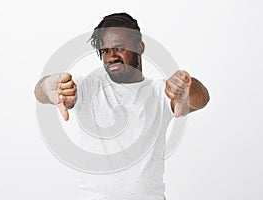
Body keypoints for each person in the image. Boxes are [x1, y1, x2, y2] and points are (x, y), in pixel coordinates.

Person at [34, 13, 209, 200]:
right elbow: (41, 93)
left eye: (119, 48)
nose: (111, 57)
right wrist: (46, 86)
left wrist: (186, 86)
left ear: (140, 47)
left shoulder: (160, 92)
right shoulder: (87, 88)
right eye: (105, 51)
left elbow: (202, 98)